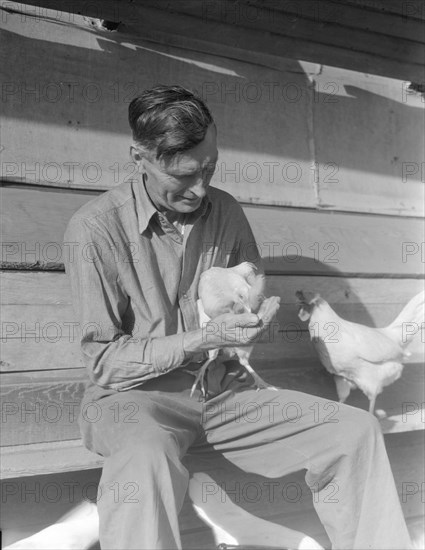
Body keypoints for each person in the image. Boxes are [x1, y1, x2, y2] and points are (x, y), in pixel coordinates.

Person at [64, 85, 412, 550]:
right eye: (185, 175)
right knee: (144, 459)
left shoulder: (225, 211)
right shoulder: (95, 229)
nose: (201, 188)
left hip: (223, 393)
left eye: (209, 168)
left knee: (355, 431)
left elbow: (250, 282)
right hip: (134, 402)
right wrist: (204, 336)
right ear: (139, 157)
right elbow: (105, 361)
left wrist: (253, 314)